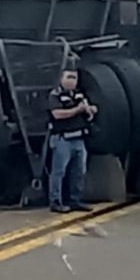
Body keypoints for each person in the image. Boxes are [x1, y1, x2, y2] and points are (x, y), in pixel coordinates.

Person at [48, 67, 97, 213]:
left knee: (79, 172)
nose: (72, 81)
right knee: (59, 172)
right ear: (61, 78)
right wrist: (78, 110)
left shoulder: (79, 94)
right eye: (69, 77)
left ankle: (75, 200)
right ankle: (55, 202)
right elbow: (57, 114)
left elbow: (88, 108)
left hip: (79, 139)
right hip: (63, 139)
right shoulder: (55, 95)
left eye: (74, 78)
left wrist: (91, 109)